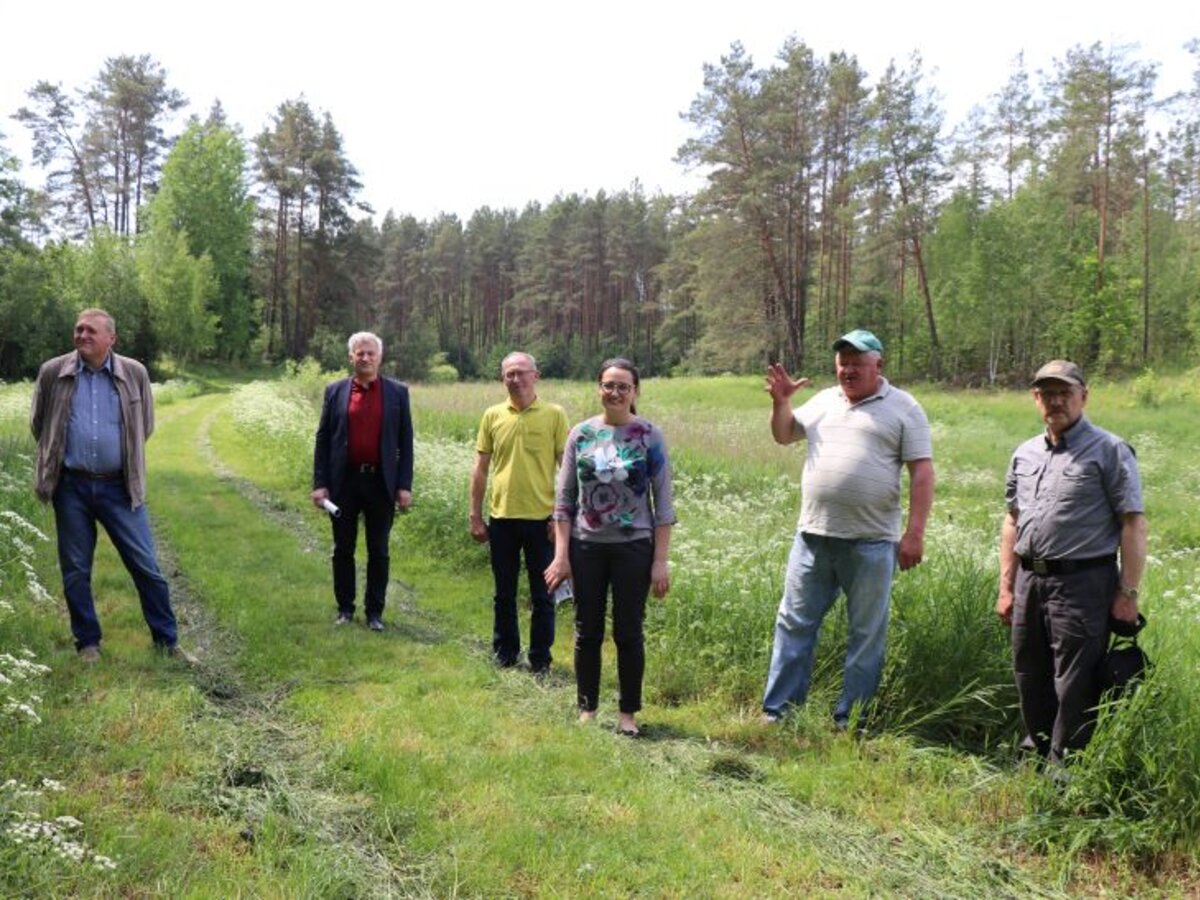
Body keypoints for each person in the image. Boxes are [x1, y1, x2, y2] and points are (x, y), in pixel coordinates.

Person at [761, 329, 934, 728]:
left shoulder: (905, 408)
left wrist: (915, 533)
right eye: (843, 361)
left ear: (879, 363)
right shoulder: (823, 400)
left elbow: (922, 472)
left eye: (857, 361)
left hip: (872, 543)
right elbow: (784, 434)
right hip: (813, 536)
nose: (848, 369)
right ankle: (779, 713)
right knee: (793, 625)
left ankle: (850, 721)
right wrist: (782, 402)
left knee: (866, 635)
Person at [996, 359, 1146, 763]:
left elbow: (1132, 524)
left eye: (1065, 392)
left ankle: (1066, 769)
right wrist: (1006, 586)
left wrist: (1127, 593)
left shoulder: (1110, 450)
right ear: (1035, 399)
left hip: (1084, 582)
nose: (1056, 401)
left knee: (1075, 680)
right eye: (1047, 394)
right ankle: (1036, 750)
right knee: (1029, 671)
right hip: (1030, 578)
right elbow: (1013, 521)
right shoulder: (1024, 453)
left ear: (1084, 396)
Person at [30, 308, 192, 664]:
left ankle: (167, 643)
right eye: (78, 330)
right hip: (71, 487)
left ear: (111, 339)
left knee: (147, 566)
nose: (82, 335)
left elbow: (143, 426)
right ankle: (88, 643)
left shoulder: (133, 373)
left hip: (120, 488)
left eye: (91, 331)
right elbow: (40, 426)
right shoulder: (53, 372)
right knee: (75, 569)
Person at [545, 358, 675, 737]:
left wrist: (660, 561)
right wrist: (561, 554)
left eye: (623, 386)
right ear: (598, 388)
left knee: (628, 632)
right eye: (608, 385)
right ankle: (587, 708)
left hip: (635, 547)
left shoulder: (650, 436)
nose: (615, 392)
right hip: (587, 548)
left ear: (635, 392)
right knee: (587, 631)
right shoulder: (580, 435)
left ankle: (628, 714)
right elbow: (564, 500)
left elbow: (664, 505)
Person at [469, 351, 569, 673]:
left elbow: (566, 471)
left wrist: (559, 516)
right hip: (502, 519)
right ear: (502, 379)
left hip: (543, 522)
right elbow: (481, 469)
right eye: (509, 374)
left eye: (521, 373)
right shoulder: (493, 415)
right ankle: (505, 653)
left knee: (543, 595)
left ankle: (540, 659)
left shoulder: (554, 415)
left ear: (535, 376)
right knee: (504, 593)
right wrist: (475, 515)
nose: (515, 379)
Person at [311, 331, 414, 632]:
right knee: (343, 549)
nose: (365, 358)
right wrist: (320, 483)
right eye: (360, 353)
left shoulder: (398, 393)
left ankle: (374, 613)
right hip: (343, 483)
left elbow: (405, 442)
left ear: (380, 357)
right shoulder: (335, 391)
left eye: (371, 353)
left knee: (378, 550)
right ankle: (345, 608)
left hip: (381, 484)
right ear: (351, 357)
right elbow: (322, 440)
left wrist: (404, 485)